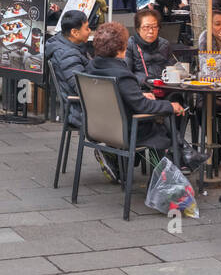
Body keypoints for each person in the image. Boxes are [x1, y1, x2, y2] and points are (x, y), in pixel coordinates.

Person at [87, 22, 208, 173]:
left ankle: (185, 154)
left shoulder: (92, 67)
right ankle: (166, 173)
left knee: (160, 116)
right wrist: (170, 106)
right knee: (162, 124)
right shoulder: (121, 74)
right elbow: (143, 106)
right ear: (121, 47)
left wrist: (139, 95)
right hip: (124, 130)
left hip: (97, 127)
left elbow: (114, 95)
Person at [127, 8, 175, 87]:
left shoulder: (164, 45)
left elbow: (173, 70)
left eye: (154, 27)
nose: (151, 31)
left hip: (163, 88)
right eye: (146, 27)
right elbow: (126, 74)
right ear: (138, 29)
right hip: (140, 89)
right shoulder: (130, 44)